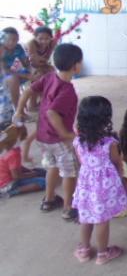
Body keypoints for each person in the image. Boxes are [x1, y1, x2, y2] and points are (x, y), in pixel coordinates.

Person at [14, 43, 82, 221]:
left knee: (52, 166)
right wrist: (66, 134)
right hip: (58, 140)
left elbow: (28, 90)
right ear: (75, 65)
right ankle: (68, 208)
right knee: (70, 172)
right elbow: (52, 113)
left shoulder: (50, 77)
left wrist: (19, 110)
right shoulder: (68, 91)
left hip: (42, 136)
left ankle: (49, 200)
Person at [72, 96, 127, 265]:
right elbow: (117, 163)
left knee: (85, 217)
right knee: (102, 220)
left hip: (86, 185)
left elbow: (82, 163)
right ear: (105, 120)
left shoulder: (78, 141)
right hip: (105, 187)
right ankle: (102, 253)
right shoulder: (109, 143)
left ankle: (84, 251)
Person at [0, 124, 45, 198]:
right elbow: (16, 176)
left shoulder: (9, 149)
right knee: (43, 182)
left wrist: (29, 171)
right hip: (7, 184)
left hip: (6, 179)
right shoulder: (13, 154)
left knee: (42, 173)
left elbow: (15, 167)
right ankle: (12, 191)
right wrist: (33, 174)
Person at [26, 26, 56, 111]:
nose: (44, 41)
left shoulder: (52, 42)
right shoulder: (31, 43)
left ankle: (44, 99)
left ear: (51, 37)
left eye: (47, 38)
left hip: (40, 64)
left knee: (52, 72)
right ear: (35, 37)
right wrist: (43, 64)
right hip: (25, 66)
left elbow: (46, 58)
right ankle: (32, 104)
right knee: (39, 76)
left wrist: (45, 65)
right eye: (40, 38)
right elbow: (33, 62)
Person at [2, 27, 31, 109]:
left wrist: (32, 70)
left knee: (39, 73)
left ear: (18, 39)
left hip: (13, 71)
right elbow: (5, 72)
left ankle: (32, 103)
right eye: (8, 40)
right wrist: (26, 76)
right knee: (13, 79)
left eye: (14, 40)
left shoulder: (18, 47)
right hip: (3, 75)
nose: (11, 42)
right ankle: (17, 110)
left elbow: (26, 63)